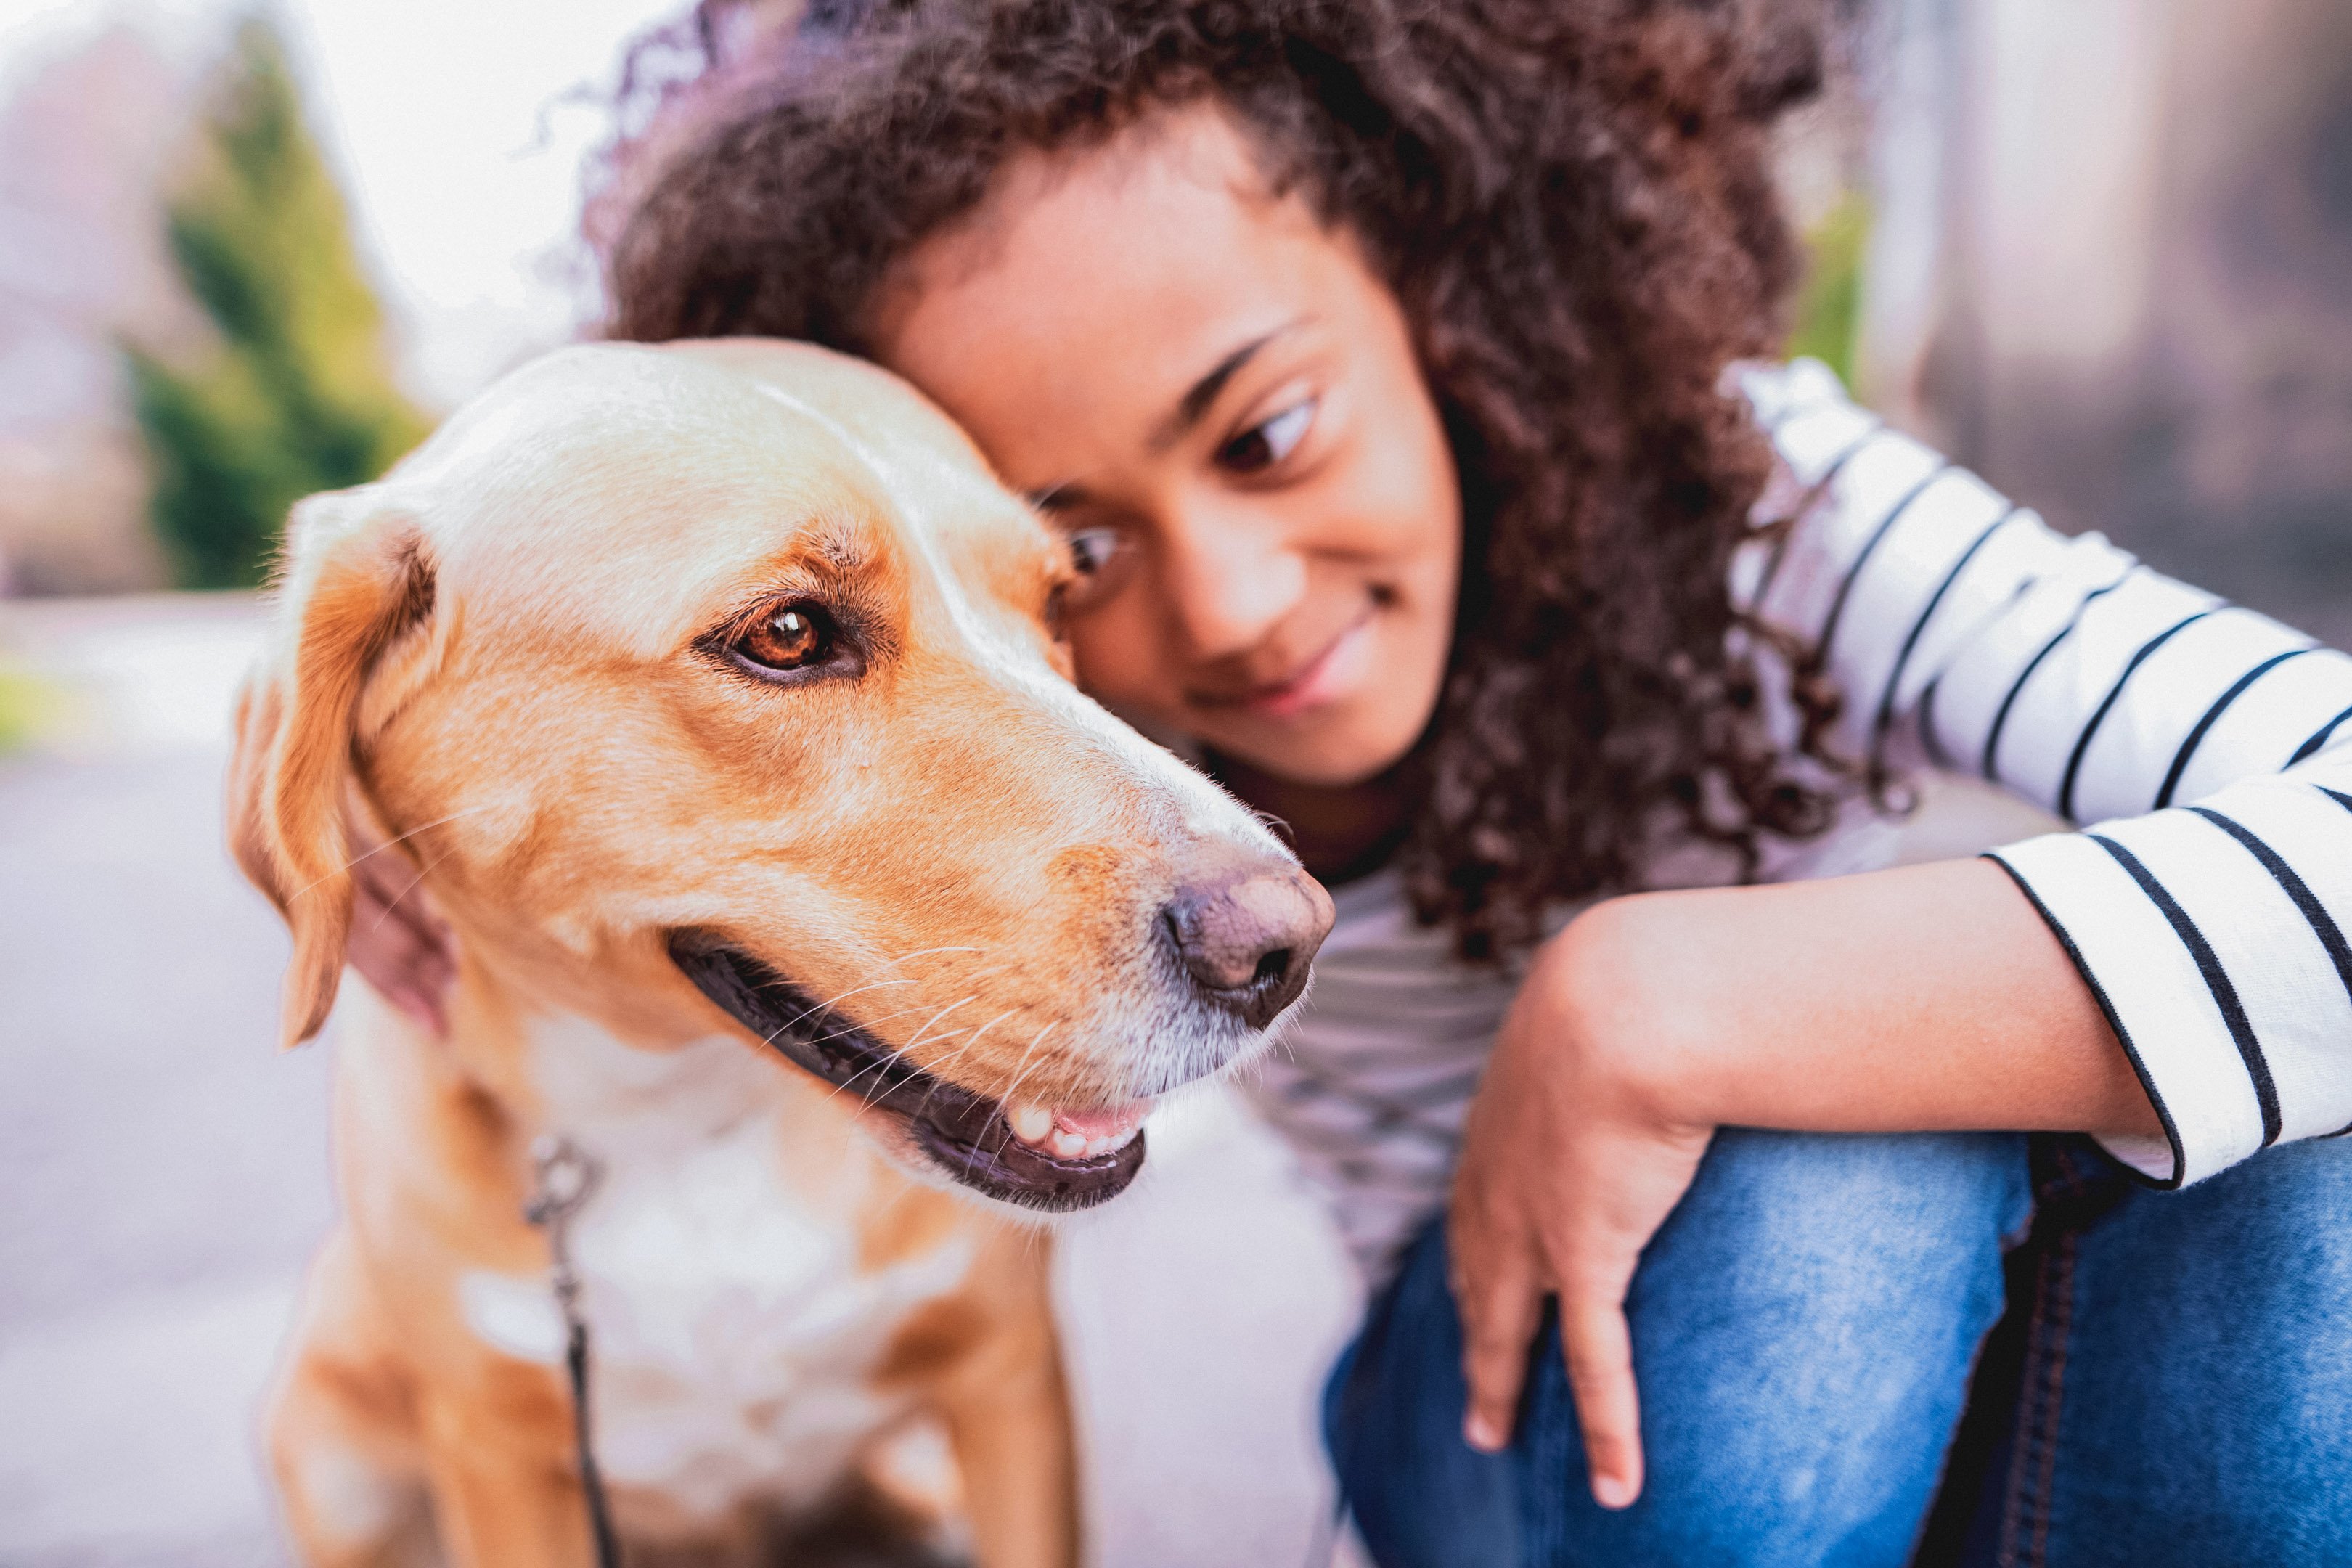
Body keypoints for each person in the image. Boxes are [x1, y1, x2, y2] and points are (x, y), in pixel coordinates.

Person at [355, 2, 2352, 1561]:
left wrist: (1652, 997)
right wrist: (366, 769)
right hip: (1511, 1397)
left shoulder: (1757, 499)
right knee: (1840, 1185)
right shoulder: (1048, 729)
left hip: (1949, 1351)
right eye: (1082, 551)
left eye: (1272, 428)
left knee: (2286, 1160)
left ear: (1439, 279)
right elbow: (636, 647)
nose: (1229, 607)